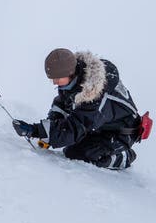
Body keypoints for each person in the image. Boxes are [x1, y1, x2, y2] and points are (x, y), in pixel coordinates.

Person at [12, 48, 143, 170]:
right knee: (71, 146)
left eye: (57, 78)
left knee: (79, 153)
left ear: (70, 73)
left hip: (121, 133)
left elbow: (73, 129)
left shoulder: (94, 93)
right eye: (52, 78)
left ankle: (124, 156)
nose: (54, 82)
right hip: (98, 126)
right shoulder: (75, 80)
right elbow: (62, 104)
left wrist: (35, 131)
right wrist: (51, 125)